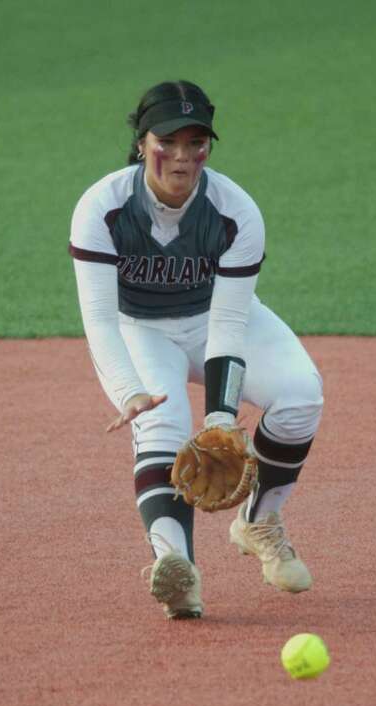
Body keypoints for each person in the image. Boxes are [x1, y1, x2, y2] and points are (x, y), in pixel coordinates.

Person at [68, 80, 324, 620]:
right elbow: (98, 318)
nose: (183, 156)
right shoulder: (103, 208)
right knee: (161, 423)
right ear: (142, 142)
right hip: (141, 328)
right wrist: (129, 392)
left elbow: (229, 324)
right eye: (169, 141)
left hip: (215, 319)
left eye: (196, 142)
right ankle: (175, 569)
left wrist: (222, 418)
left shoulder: (236, 213)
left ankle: (259, 521)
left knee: (301, 396)